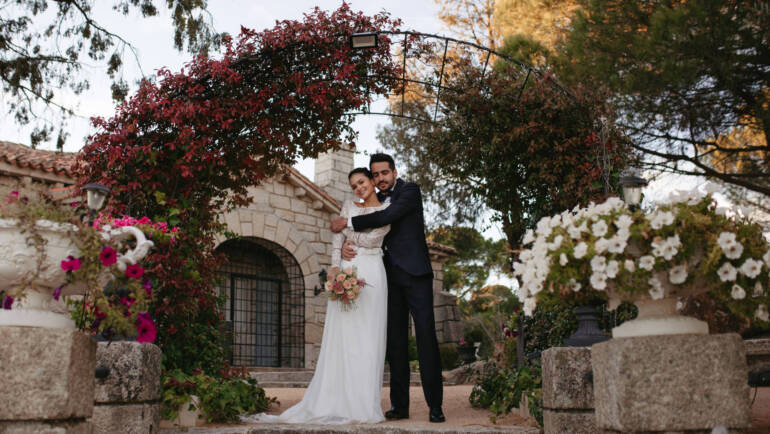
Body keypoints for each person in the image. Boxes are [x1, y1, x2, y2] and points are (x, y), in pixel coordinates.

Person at [245, 168, 390, 424]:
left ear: (371, 181)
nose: (358, 188)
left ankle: (363, 402)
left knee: (368, 338)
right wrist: (335, 268)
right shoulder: (348, 205)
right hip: (348, 270)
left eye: (362, 182)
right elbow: (337, 239)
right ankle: (334, 398)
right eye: (354, 185)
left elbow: (374, 239)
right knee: (343, 338)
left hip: (373, 273)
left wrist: (346, 228)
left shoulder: (386, 209)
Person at [331, 153, 445, 423]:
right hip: (386, 278)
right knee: (395, 344)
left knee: (426, 338)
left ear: (394, 172)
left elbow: (389, 215)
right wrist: (348, 246)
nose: (380, 179)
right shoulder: (371, 200)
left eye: (384, 173)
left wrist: (347, 223)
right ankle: (400, 406)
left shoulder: (409, 191)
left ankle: (435, 406)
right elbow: (360, 228)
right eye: (375, 175)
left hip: (416, 274)